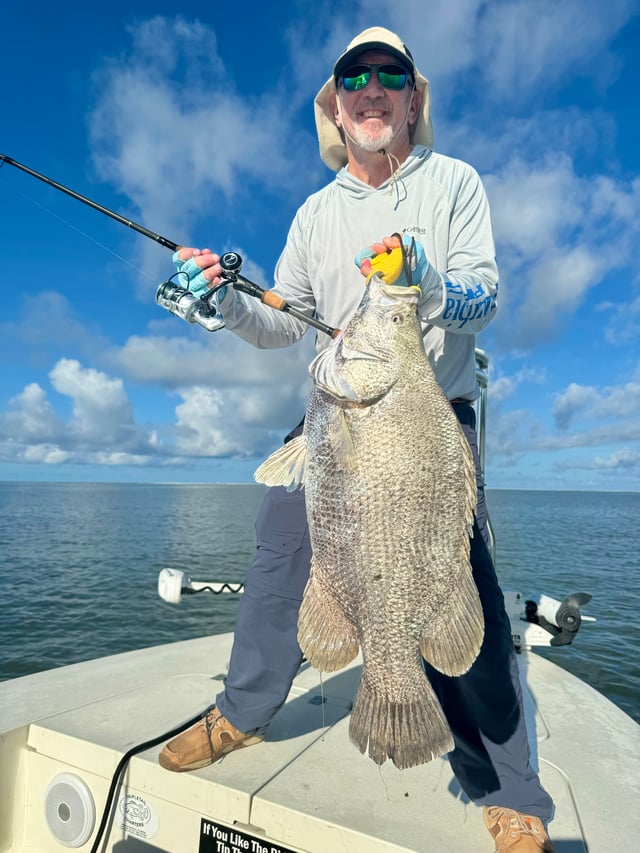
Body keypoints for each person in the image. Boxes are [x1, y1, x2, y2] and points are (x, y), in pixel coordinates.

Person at [158, 26, 556, 852]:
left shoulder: (455, 184)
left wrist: (428, 284)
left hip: (428, 421)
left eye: (391, 76)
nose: (372, 90)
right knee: (275, 569)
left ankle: (508, 787)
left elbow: (484, 292)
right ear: (336, 106)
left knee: (465, 589)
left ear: (413, 99)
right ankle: (241, 713)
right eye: (354, 79)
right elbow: (278, 322)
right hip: (336, 413)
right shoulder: (314, 212)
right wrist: (220, 305)